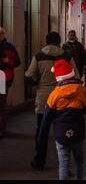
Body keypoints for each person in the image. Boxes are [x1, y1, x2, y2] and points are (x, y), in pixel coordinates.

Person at [25, 31, 79, 170]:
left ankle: (39, 161)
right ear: (59, 41)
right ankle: (65, 164)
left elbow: (30, 76)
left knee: (42, 131)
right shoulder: (66, 56)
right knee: (64, 131)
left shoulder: (38, 56)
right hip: (63, 98)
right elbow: (76, 77)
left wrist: (39, 81)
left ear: (46, 41)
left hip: (44, 99)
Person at [38, 59, 86, 180]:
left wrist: (42, 135)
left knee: (63, 164)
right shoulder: (80, 90)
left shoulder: (55, 94)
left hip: (61, 134)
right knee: (79, 162)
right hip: (78, 132)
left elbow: (47, 117)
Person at [0, 27, 20, 139]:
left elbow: (17, 62)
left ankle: (1, 129)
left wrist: (8, 61)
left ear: (3, 34)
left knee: (1, 105)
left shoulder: (9, 47)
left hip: (3, 79)